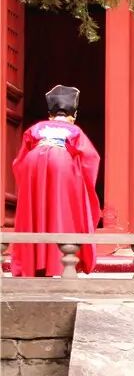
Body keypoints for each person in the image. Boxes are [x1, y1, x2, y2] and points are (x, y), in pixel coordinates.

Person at [10, 85, 101, 277]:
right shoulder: (74, 130)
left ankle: (34, 263)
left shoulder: (36, 128)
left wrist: (29, 184)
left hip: (32, 162)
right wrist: (83, 186)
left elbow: (19, 162)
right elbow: (91, 159)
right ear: (73, 115)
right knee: (60, 210)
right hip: (61, 162)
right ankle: (56, 263)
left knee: (35, 210)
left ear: (50, 115)